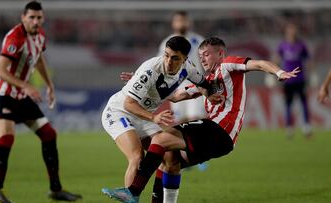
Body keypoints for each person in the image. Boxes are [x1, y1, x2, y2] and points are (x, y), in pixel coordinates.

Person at [102, 36, 300, 203]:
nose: (203, 59)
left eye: (207, 54)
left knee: (161, 139)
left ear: (220, 54)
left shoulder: (227, 64)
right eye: (201, 55)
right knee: (170, 160)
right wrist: (140, 81)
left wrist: (279, 72)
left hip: (220, 129)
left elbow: (258, 63)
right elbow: (176, 96)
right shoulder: (207, 80)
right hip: (218, 137)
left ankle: (133, 192)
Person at [0, 1, 82, 202]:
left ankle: (55, 190)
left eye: (39, 17)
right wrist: (26, 85)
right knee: (7, 137)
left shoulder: (40, 36)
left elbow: (38, 60)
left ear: (43, 18)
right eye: (31, 17)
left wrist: (49, 85)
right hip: (3, 94)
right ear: (23, 17)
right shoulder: (15, 37)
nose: (35, 21)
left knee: (49, 134)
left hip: (21, 95)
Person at [101, 36, 214, 201]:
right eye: (166, 55)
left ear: (185, 59)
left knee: (169, 157)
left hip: (144, 116)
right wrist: (154, 117)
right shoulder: (151, 69)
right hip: (120, 112)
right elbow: (129, 104)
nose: (169, 61)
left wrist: (209, 92)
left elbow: (200, 86)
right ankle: (131, 196)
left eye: (175, 58)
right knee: (137, 156)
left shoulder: (188, 69)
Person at [158, 11, 206, 124]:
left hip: (196, 84)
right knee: (180, 122)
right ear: (173, 23)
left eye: (184, 21)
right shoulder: (166, 43)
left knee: (196, 119)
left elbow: (207, 63)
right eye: (179, 21)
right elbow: (161, 66)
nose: (182, 24)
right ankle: (185, 142)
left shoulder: (198, 40)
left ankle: (196, 142)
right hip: (176, 87)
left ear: (189, 23)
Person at [275, 22, 312, 138]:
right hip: (287, 80)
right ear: (287, 32)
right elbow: (276, 59)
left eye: (294, 30)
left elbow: (309, 61)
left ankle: (306, 127)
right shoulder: (282, 46)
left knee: (304, 103)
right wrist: (276, 73)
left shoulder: (301, 45)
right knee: (288, 104)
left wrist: (311, 75)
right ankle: (289, 128)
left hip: (300, 79)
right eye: (290, 30)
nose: (292, 32)